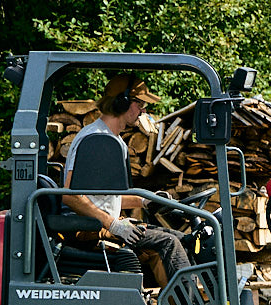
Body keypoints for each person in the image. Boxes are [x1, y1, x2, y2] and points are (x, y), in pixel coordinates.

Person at [63, 74, 191, 286]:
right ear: (121, 102)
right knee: (169, 243)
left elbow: (106, 198)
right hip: (91, 230)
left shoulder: (115, 141)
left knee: (182, 238)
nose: (143, 111)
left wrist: (145, 201)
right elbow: (70, 196)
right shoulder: (95, 140)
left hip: (104, 224)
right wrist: (113, 225)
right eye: (140, 104)